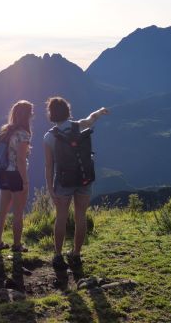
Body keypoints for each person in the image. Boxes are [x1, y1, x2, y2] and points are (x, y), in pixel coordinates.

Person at [43, 97, 109, 270]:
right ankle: (76, 254)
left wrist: (51, 189)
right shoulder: (79, 125)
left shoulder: (49, 137)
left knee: (61, 217)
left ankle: (58, 255)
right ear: (67, 111)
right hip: (84, 178)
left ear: (51, 114)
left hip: (63, 182)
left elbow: (49, 167)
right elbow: (91, 118)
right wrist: (100, 110)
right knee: (81, 216)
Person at [0, 100, 33, 252]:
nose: (32, 115)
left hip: (3, 173)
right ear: (26, 115)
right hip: (17, 175)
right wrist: (25, 181)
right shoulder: (24, 134)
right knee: (18, 213)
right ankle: (17, 245)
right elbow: (21, 160)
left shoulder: (5, 130)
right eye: (31, 113)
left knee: (2, 210)